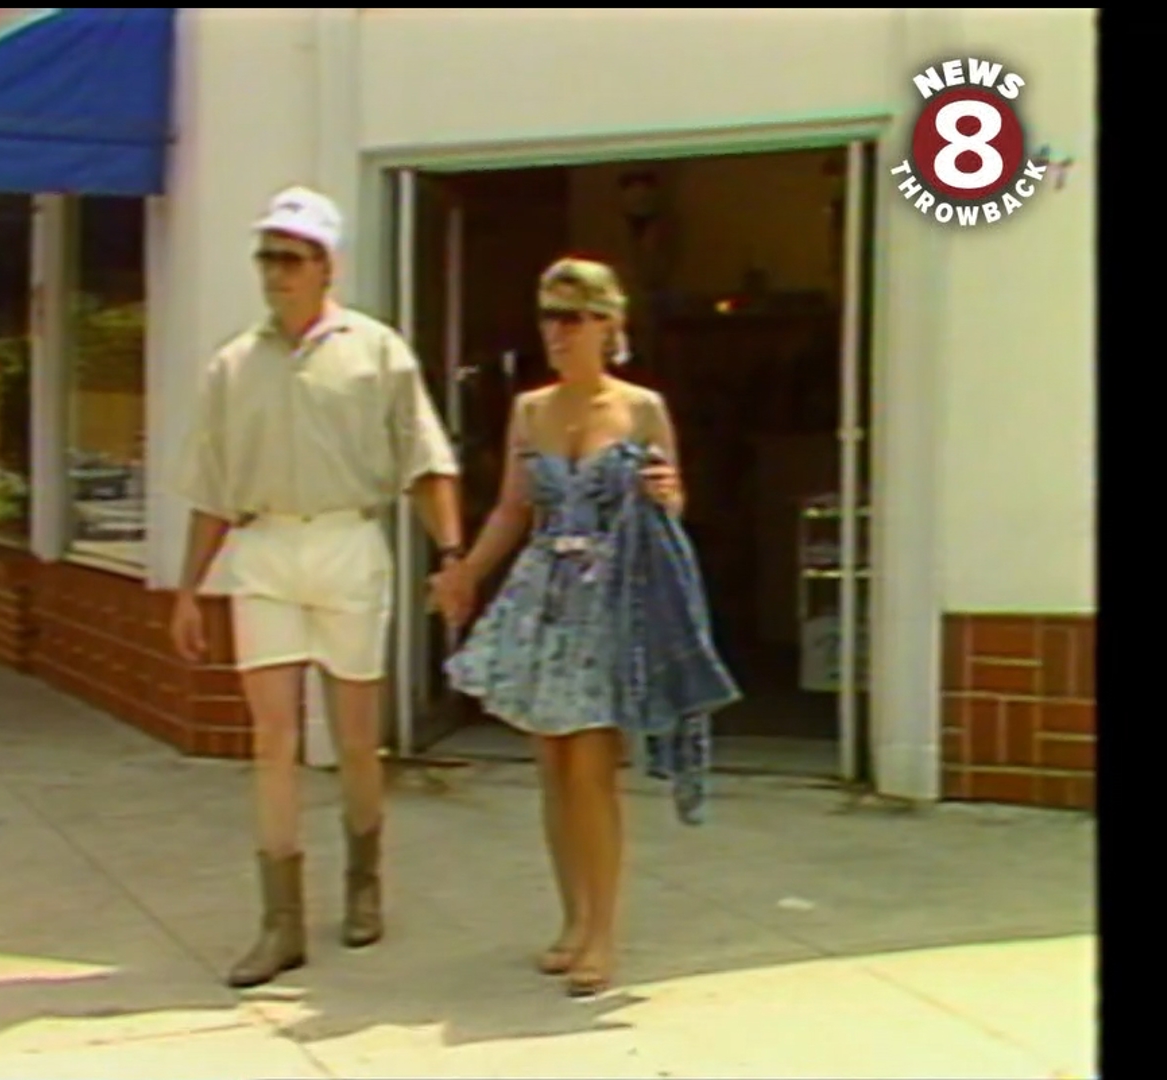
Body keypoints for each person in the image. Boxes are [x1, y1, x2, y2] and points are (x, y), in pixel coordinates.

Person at [169, 186, 465, 990]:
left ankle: (364, 884)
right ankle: (280, 923)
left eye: (290, 257)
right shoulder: (233, 364)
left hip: (346, 542)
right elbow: (211, 486)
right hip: (264, 548)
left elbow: (424, 459)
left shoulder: (377, 351)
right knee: (273, 740)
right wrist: (190, 589)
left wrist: (453, 555)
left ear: (325, 264)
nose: (274, 272)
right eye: (266, 255)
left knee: (354, 737)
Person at [429, 257, 739, 998]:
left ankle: (604, 933)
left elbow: (674, 501)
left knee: (593, 770)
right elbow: (512, 507)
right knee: (553, 767)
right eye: (547, 316)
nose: (556, 332)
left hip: (614, 595)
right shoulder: (530, 411)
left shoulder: (641, 408)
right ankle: (572, 921)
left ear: (608, 323)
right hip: (548, 594)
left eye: (572, 317)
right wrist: (466, 571)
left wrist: (668, 494)